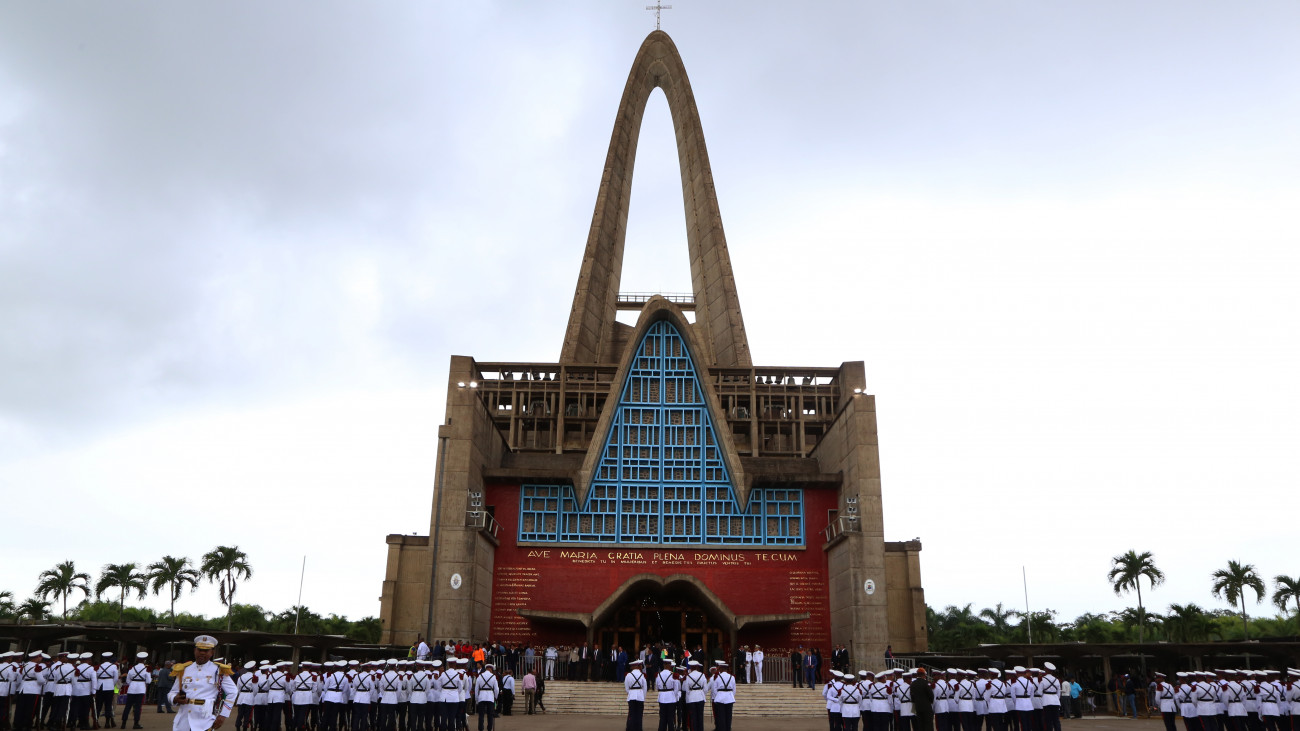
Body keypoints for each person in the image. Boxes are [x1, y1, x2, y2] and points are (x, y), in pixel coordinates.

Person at [167, 636, 238, 731]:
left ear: (212, 652)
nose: (202, 653)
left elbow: (233, 691)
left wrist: (223, 715)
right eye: (199, 650)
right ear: (194, 650)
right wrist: (175, 698)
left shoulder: (218, 671)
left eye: (206, 650)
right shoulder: (184, 669)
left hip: (205, 721)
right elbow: (172, 693)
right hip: (184, 720)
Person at [709, 660, 736, 731]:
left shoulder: (717, 677)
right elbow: (734, 690)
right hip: (729, 698)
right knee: (728, 716)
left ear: (721, 669)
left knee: (721, 716)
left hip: (720, 698)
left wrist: (717, 697)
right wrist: (730, 695)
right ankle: (728, 728)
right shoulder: (732, 677)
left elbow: (714, 689)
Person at [653, 659, 678, 731]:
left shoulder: (659, 675)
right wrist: (674, 696)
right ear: (669, 665)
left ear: (664, 665)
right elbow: (676, 688)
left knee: (662, 718)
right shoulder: (672, 675)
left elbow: (657, 687)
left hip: (662, 697)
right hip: (671, 697)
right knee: (670, 718)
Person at [472, 666, 497, 731]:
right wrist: (495, 697)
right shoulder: (493, 676)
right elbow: (496, 689)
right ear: (491, 669)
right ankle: (489, 728)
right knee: (490, 715)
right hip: (490, 696)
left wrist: (476, 699)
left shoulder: (480, 676)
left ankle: (480, 728)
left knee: (481, 715)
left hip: (481, 696)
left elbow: (476, 688)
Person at [624, 659, 646, 731]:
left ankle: (631, 728)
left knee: (631, 714)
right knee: (639, 715)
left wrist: (631, 693)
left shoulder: (628, 675)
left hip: (631, 696)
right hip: (640, 696)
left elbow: (626, 688)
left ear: (633, 667)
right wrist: (643, 696)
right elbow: (645, 688)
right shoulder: (642, 675)